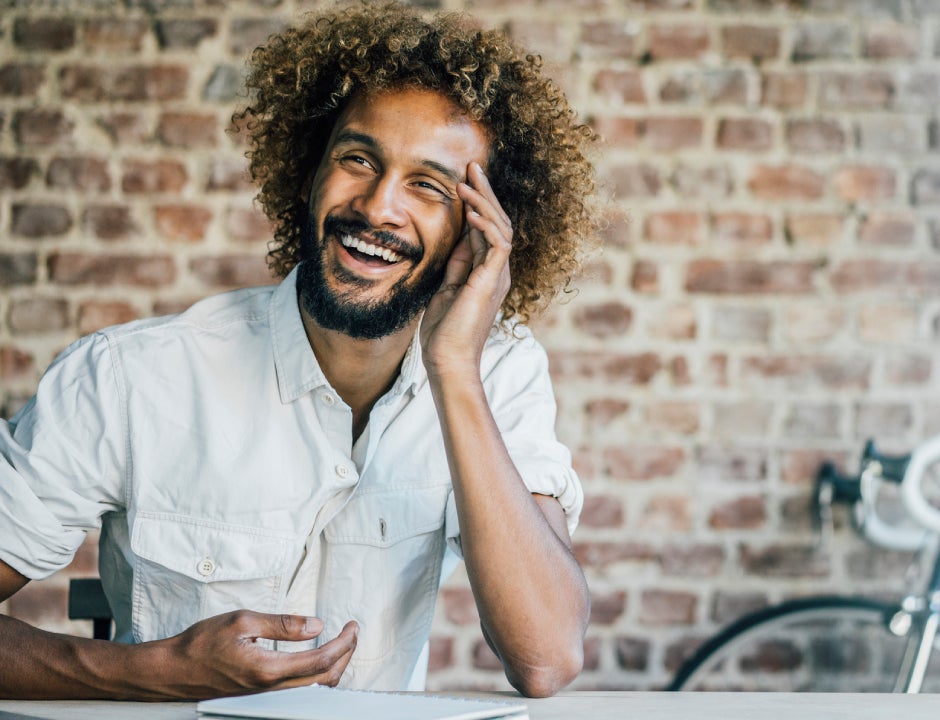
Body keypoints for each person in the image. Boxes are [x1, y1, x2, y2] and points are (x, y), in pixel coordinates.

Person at [0, 2, 597, 700]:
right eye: (356, 160)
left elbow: (547, 658)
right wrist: (157, 671)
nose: (377, 208)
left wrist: (454, 370)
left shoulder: (497, 373)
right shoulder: (132, 379)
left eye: (429, 186)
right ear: (307, 174)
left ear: (480, 231)